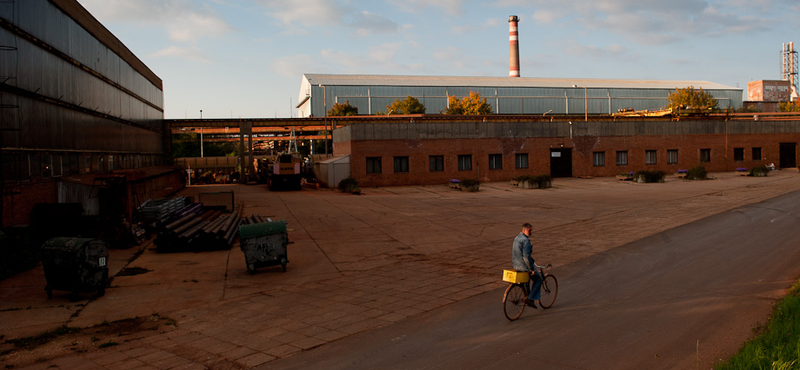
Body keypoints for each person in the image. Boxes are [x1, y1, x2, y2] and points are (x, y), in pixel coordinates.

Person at [512, 223, 542, 308]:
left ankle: (526, 293)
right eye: (529, 230)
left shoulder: (516, 238)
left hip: (515, 265)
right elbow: (526, 257)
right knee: (538, 279)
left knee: (526, 282)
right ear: (523, 230)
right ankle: (531, 298)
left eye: (531, 230)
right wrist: (531, 269)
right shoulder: (526, 241)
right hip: (523, 266)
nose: (531, 232)